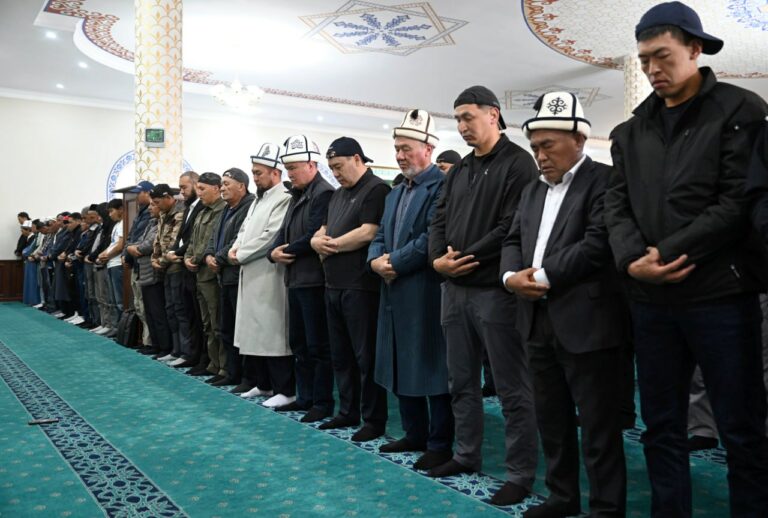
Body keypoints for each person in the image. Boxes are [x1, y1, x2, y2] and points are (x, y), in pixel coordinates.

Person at [603, 3, 768, 516]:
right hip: (651, 300)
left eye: (662, 56)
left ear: (695, 50)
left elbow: (737, 200)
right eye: (644, 60)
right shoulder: (629, 132)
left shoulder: (741, 110)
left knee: (741, 427)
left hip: (722, 296)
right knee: (660, 426)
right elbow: (615, 205)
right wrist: (632, 260)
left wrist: (666, 252)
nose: (652, 69)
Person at [502, 92, 628, 517]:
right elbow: (513, 239)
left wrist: (539, 277)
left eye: (548, 145)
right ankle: (562, 497)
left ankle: (606, 507)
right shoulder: (532, 191)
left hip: (588, 322)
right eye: (534, 147)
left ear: (578, 139)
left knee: (598, 425)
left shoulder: (605, 180)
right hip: (535, 319)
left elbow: (598, 243)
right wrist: (510, 277)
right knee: (552, 419)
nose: (540, 156)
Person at [427, 85, 539, 506]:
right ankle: (466, 455)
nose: (461, 126)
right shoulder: (459, 169)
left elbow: (512, 226)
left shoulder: (518, 163)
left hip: (495, 292)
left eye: (468, 117)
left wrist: (463, 257)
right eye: (457, 119)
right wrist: (438, 260)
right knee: (460, 382)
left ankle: (519, 473)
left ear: (493, 114)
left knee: (512, 388)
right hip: (454, 290)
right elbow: (438, 219)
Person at [369, 110, 453, 469]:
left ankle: (440, 443)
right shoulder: (395, 192)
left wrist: (393, 263)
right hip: (394, 288)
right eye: (397, 149)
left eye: (406, 149)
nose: (400, 155)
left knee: (433, 368)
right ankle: (414, 433)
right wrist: (375, 261)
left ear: (428, 149)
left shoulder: (443, 186)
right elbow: (380, 234)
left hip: (425, 289)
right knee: (400, 362)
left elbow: (433, 236)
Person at [311, 136, 390, 442]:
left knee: (365, 357)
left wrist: (328, 246)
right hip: (333, 284)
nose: (336, 173)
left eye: (339, 166)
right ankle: (347, 411)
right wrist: (318, 241)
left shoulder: (376, 189)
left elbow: (369, 232)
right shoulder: (338, 195)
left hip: (361, 286)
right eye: (331, 168)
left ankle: (373, 419)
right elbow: (322, 230)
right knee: (340, 355)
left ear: (357, 159)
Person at [268, 135, 336, 419]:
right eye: (287, 169)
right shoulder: (297, 195)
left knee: (318, 345)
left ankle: (321, 402)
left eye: (293, 168)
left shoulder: (324, 193)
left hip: (314, 281)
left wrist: (283, 251)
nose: (290, 174)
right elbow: (283, 233)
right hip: (296, 279)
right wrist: (273, 251)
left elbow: (312, 236)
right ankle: (305, 397)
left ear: (311, 165)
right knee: (299, 343)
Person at [231, 144, 293, 401]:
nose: (254, 178)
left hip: (269, 274)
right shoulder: (259, 199)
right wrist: (234, 248)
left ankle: (285, 390)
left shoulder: (284, 197)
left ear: (275, 172)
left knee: (272, 334)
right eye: (253, 172)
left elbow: (271, 236)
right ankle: (264, 383)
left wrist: (240, 254)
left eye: (258, 173)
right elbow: (244, 230)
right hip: (250, 273)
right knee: (254, 332)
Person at [202, 168, 255, 386]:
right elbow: (213, 237)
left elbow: (239, 240)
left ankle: (245, 376)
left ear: (241, 186)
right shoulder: (226, 209)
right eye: (222, 184)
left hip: (238, 275)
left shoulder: (249, 206)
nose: (222, 188)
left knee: (241, 330)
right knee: (226, 329)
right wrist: (208, 255)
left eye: (226, 184)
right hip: (224, 276)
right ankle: (230, 373)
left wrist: (218, 258)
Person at [183, 173, 227, 377]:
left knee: (218, 323)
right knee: (207, 323)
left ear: (216, 188)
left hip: (211, 274)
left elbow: (210, 241)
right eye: (197, 189)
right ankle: (213, 363)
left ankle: (224, 367)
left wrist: (196, 257)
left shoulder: (222, 210)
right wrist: (187, 257)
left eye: (202, 189)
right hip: (199, 274)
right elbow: (192, 241)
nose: (198, 193)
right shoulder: (202, 212)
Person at [167, 172, 207, 371]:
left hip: (195, 266)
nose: (181, 192)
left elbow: (193, 239)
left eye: (184, 187)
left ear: (196, 184)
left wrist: (176, 253)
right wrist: (172, 251)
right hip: (183, 266)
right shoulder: (188, 207)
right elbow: (181, 237)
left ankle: (201, 359)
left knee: (200, 318)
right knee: (188, 314)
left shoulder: (202, 207)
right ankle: (192, 355)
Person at [148, 184, 184, 358]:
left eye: (157, 202)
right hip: (164, 267)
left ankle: (183, 351)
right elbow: (158, 240)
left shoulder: (180, 213)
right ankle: (175, 350)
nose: (155, 206)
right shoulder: (163, 214)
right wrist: (154, 258)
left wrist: (161, 261)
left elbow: (174, 242)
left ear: (168, 198)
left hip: (175, 266)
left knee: (179, 310)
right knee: (170, 310)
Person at [122, 180, 155, 347]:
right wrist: (126, 255)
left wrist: (128, 252)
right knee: (138, 304)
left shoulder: (150, 214)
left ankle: (149, 341)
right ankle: (145, 339)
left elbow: (142, 241)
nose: (136, 196)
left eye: (139, 193)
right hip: (135, 263)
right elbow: (131, 237)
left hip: (145, 265)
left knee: (145, 305)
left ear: (148, 193)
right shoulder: (141, 212)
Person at [98, 199, 125, 337]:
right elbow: (112, 245)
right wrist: (102, 254)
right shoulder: (116, 225)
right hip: (111, 263)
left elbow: (120, 245)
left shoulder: (124, 224)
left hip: (117, 264)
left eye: (111, 211)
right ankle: (115, 326)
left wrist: (106, 255)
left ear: (121, 209)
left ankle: (121, 329)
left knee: (120, 300)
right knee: (113, 299)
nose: (110, 215)